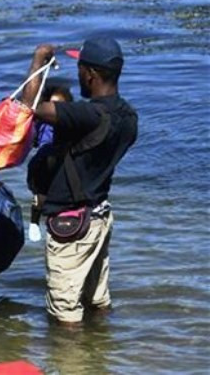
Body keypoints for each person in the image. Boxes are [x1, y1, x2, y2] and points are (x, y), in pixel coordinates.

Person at [20, 38, 137, 324]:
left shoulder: (87, 115)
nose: (77, 75)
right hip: (99, 217)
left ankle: (71, 363)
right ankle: (100, 359)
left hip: (71, 226)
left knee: (64, 317)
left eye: (79, 68)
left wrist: (38, 62)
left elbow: (29, 106)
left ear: (90, 74)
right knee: (97, 303)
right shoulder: (128, 118)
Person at [26, 79, 73, 242]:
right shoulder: (42, 121)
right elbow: (33, 139)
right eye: (51, 105)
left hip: (61, 161)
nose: (54, 110)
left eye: (59, 106)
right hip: (43, 161)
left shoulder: (70, 124)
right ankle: (34, 221)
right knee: (41, 198)